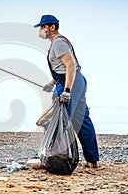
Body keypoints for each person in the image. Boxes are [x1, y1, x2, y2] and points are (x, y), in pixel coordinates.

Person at [34, 14, 99, 168]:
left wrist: (67, 90)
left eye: (43, 27)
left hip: (71, 83)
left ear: (52, 27)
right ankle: (92, 160)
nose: (41, 30)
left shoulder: (58, 43)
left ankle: (54, 158)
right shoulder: (57, 43)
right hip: (75, 82)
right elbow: (63, 69)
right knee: (82, 119)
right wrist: (51, 83)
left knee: (60, 120)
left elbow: (71, 66)